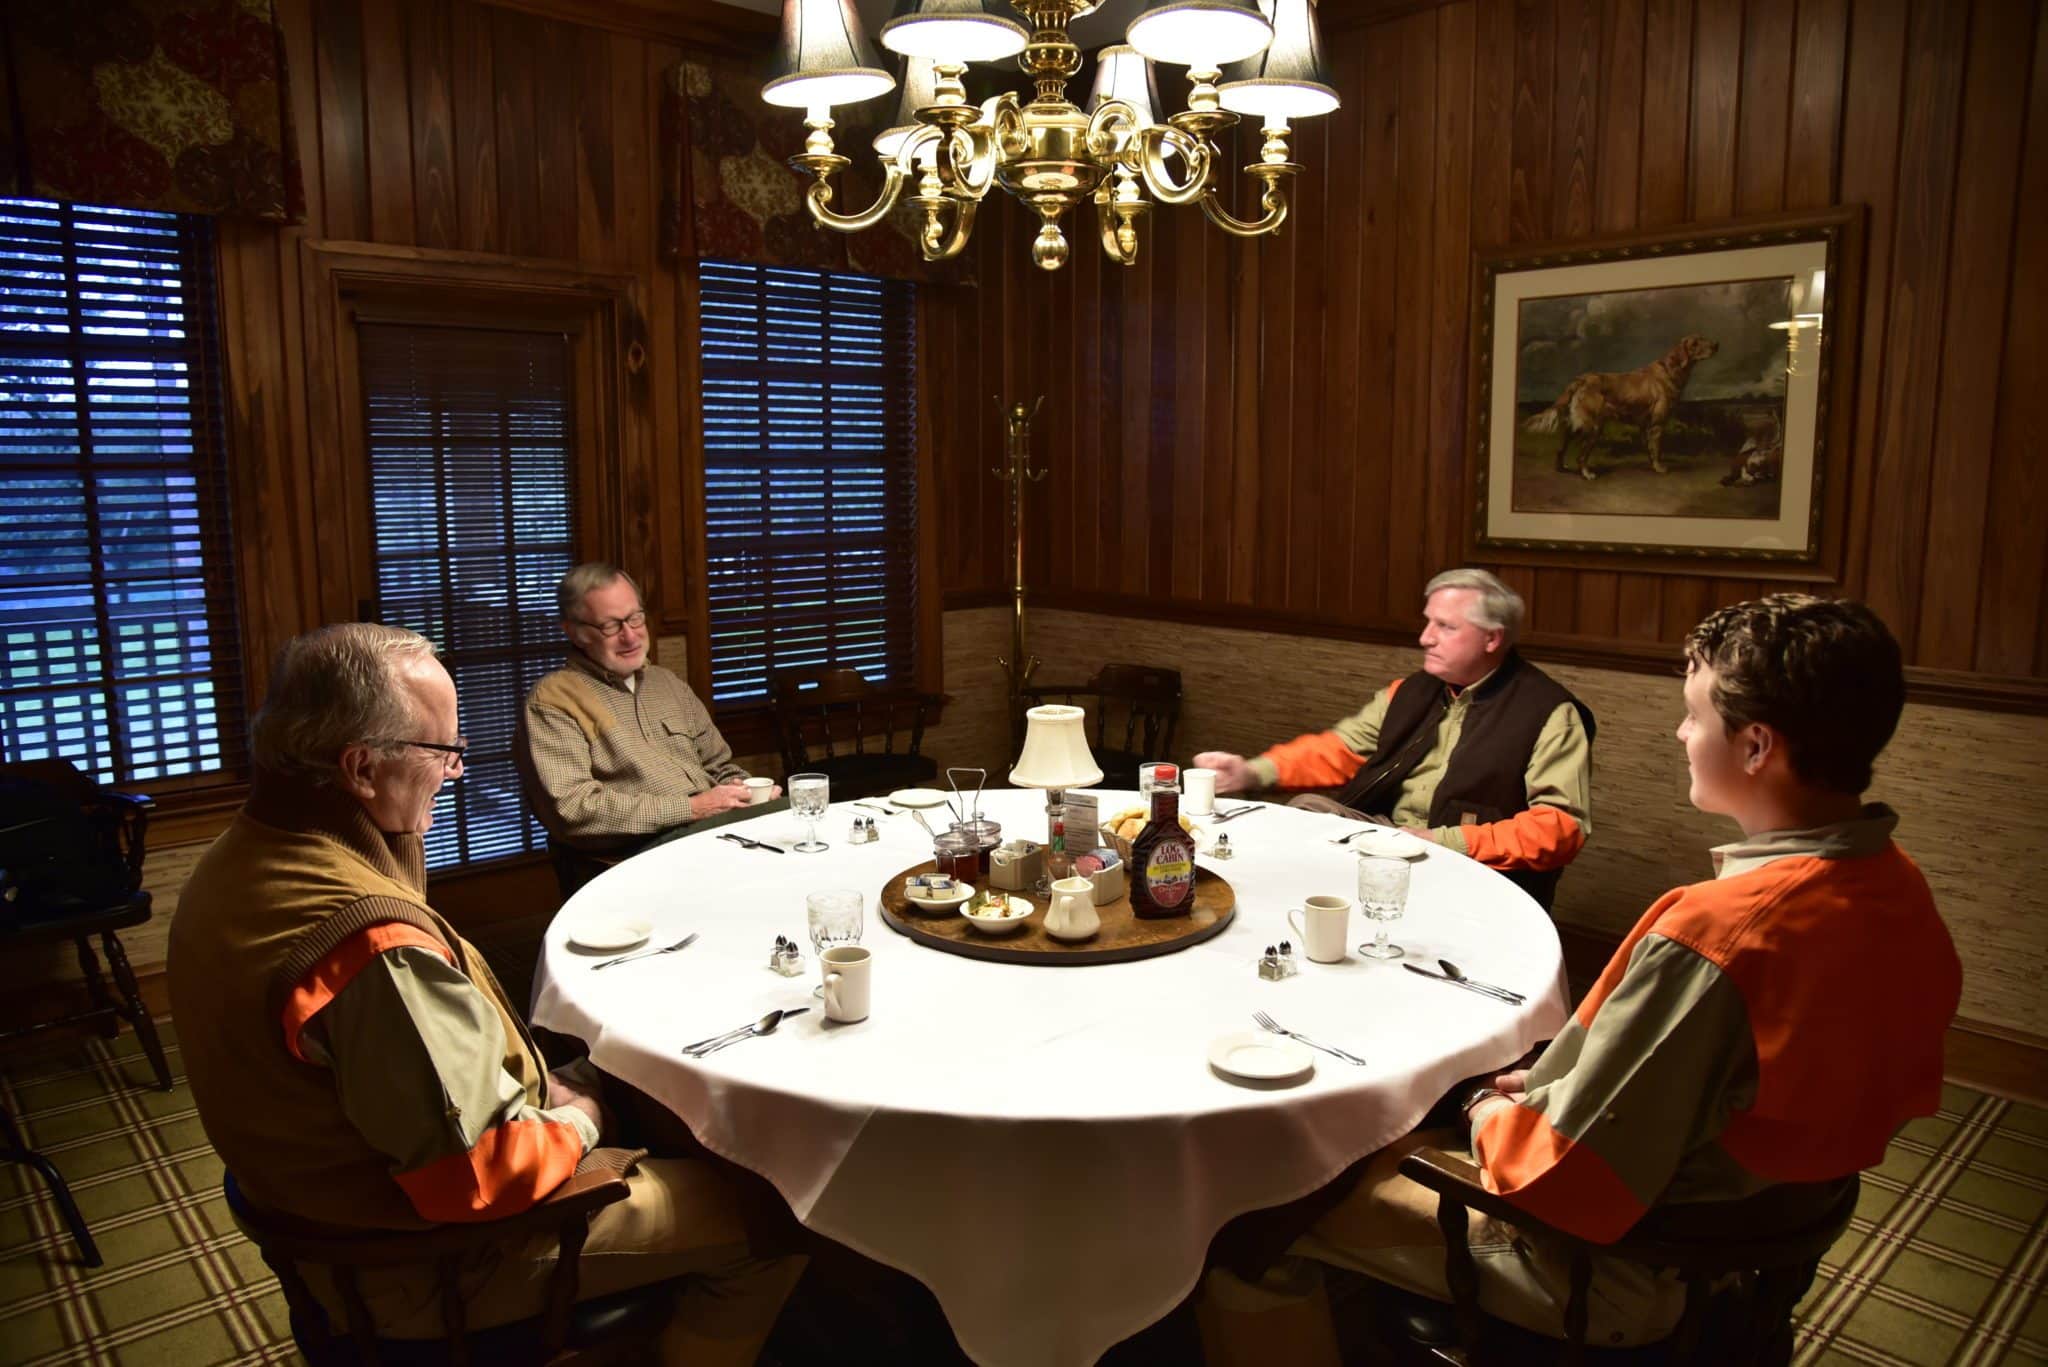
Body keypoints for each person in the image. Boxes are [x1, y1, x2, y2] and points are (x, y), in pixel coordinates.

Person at [1205, 595, 1962, 1361]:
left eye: (1694, 716)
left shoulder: (1718, 932)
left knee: (1253, 1217)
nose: (1681, 733)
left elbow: (1561, 1176)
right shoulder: (1896, 885)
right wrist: (1547, 1086)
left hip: (1625, 1264)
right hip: (1765, 1229)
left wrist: (1477, 1103)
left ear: (1756, 745)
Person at [170, 624, 802, 1364]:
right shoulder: (369, 947)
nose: (457, 771)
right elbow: (476, 1177)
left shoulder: (241, 858)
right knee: (775, 1213)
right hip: (435, 1264)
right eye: (443, 752)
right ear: (358, 767)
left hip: (323, 1207)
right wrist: (584, 1114)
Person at [1194, 568, 1593, 908]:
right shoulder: (1412, 690)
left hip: (1470, 861)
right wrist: (1251, 772)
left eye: (1446, 627)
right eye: (1428, 621)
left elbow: (1560, 827)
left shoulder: (1550, 713)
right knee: (1306, 812)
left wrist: (1445, 841)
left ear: (1492, 639)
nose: (1425, 638)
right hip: (1389, 836)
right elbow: (1338, 749)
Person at [516, 563, 778, 863]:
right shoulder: (553, 701)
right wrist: (692, 807)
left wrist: (744, 791)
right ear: (575, 632)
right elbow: (574, 809)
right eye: (611, 626)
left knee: (797, 819)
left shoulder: (667, 683)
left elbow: (720, 767)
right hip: (642, 856)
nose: (630, 637)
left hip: (715, 836)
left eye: (635, 618)